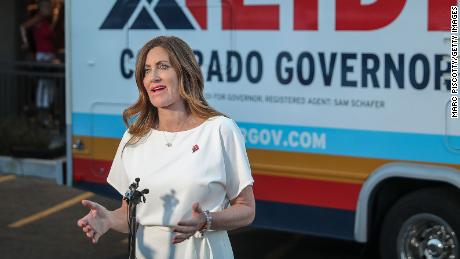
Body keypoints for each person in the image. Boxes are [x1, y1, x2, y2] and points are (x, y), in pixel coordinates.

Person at [76, 36, 256, 259]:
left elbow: (247, 210)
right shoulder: (135, 137)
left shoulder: (219, 129)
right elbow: (129, 214)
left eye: (163, 66)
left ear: (185, 72)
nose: (153, 77)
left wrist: (206, 220)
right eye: (147, 70)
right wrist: (108, 219)